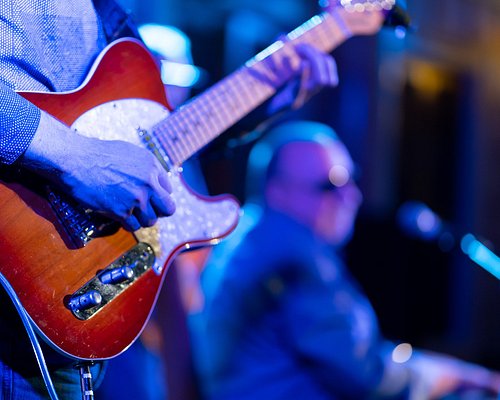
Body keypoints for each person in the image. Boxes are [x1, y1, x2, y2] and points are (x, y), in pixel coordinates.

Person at [0, 1, 339, 399]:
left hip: (62, 313)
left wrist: (257, 107)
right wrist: (77, 159)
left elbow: (146, 139)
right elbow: (93, 157)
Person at [190, 120, 500, 399]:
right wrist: (458, 377)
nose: (352, 197)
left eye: (352, 180)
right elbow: (368, 377)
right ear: (278, 191)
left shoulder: (253, 238)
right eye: (331, 185)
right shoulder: (294, 256)